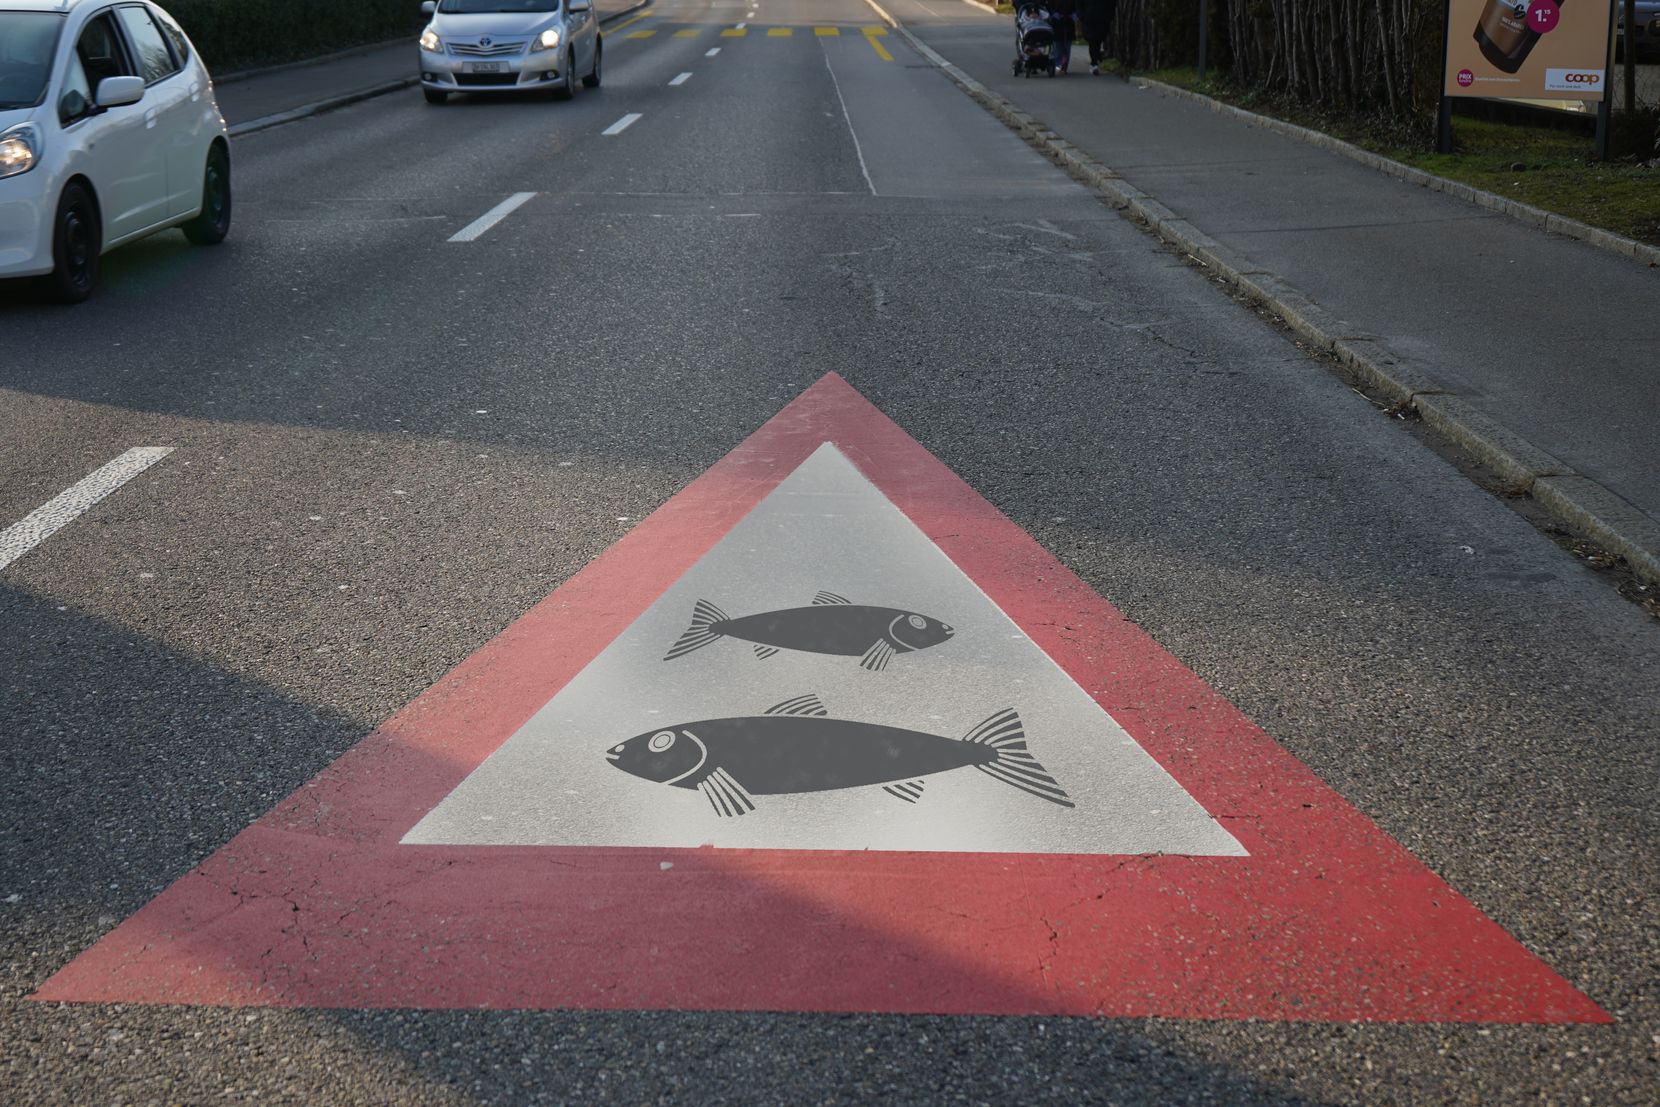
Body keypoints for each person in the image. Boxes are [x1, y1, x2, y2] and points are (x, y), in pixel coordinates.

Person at [1079, 0, 1116, 75]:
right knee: (1092, 41)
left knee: (1098, 41)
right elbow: (1079, 4)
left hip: (1102, 20)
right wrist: (1082, 16)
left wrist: (1109, 17)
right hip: (1089, 19)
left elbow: (1112, 4)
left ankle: (1096, 59)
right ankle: (1094, 63)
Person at [1048, 0, 1077, 74]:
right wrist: (1053, 14)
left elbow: (1077, 6)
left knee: (1067, 45)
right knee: (1058, 45)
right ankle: (1058, 64)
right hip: (1057, 22)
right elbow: (1049, 6)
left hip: (1069, 22)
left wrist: (1075, 14)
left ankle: (1064, 64)